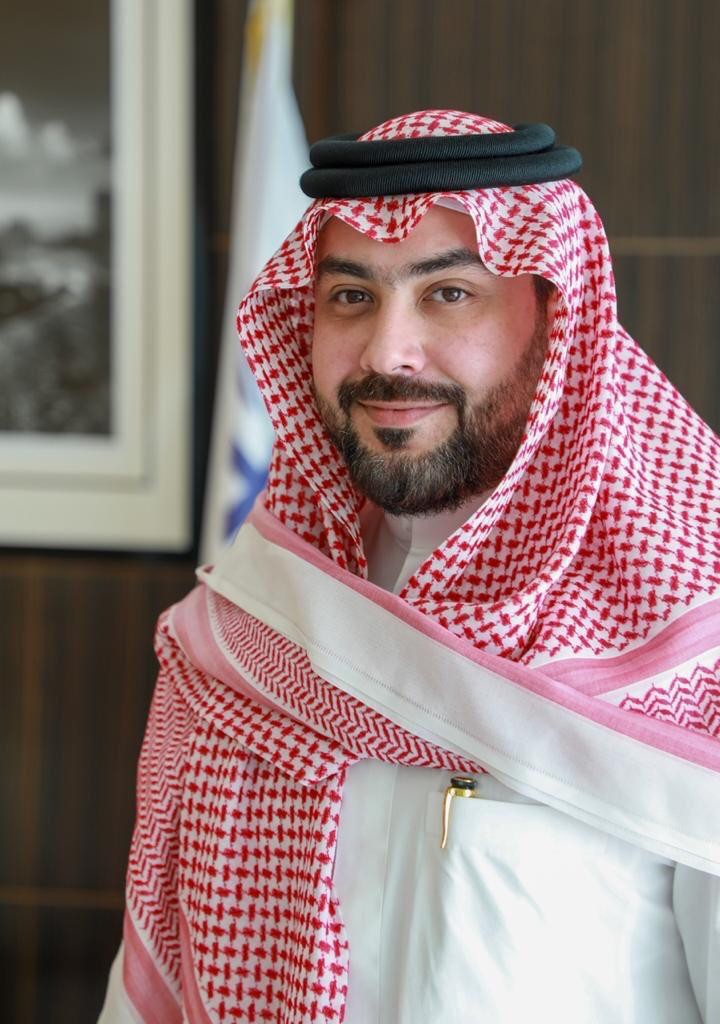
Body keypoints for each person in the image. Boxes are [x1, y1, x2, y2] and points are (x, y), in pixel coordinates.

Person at [99, 110, 720, 1023]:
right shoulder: (250, 618)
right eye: (351, 296)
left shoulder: (695, 644)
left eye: (449, 293)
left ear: (557, 317)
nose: (387, 352)